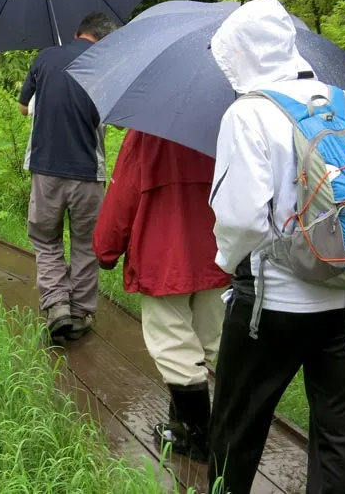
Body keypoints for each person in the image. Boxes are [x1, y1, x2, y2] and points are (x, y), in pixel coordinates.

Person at [207, 0, 345, 493]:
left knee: (238, 426)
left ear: (239, 55)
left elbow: (242, 222)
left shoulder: (248, 114)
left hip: (271, 305)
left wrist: (226, 263)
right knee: (339, 432)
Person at [93, 130, 228, 462]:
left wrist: (106, 250)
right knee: (206, 341)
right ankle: (182, 425)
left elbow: (124, 193)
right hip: (219, 251)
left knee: (173, 348)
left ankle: (201, 442)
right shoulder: (228, 126)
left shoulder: (147, 132)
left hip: (164, 256)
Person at [20, 12, 114, 341]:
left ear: (78, 33)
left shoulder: (46, 58)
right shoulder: (106, 65)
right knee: (86, 245)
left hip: (45, 169)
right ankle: (80, 313)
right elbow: (115, 117)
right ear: (102, 39)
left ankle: (57, 305)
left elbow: (23, 107)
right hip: (88, 172)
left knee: (46, 240)